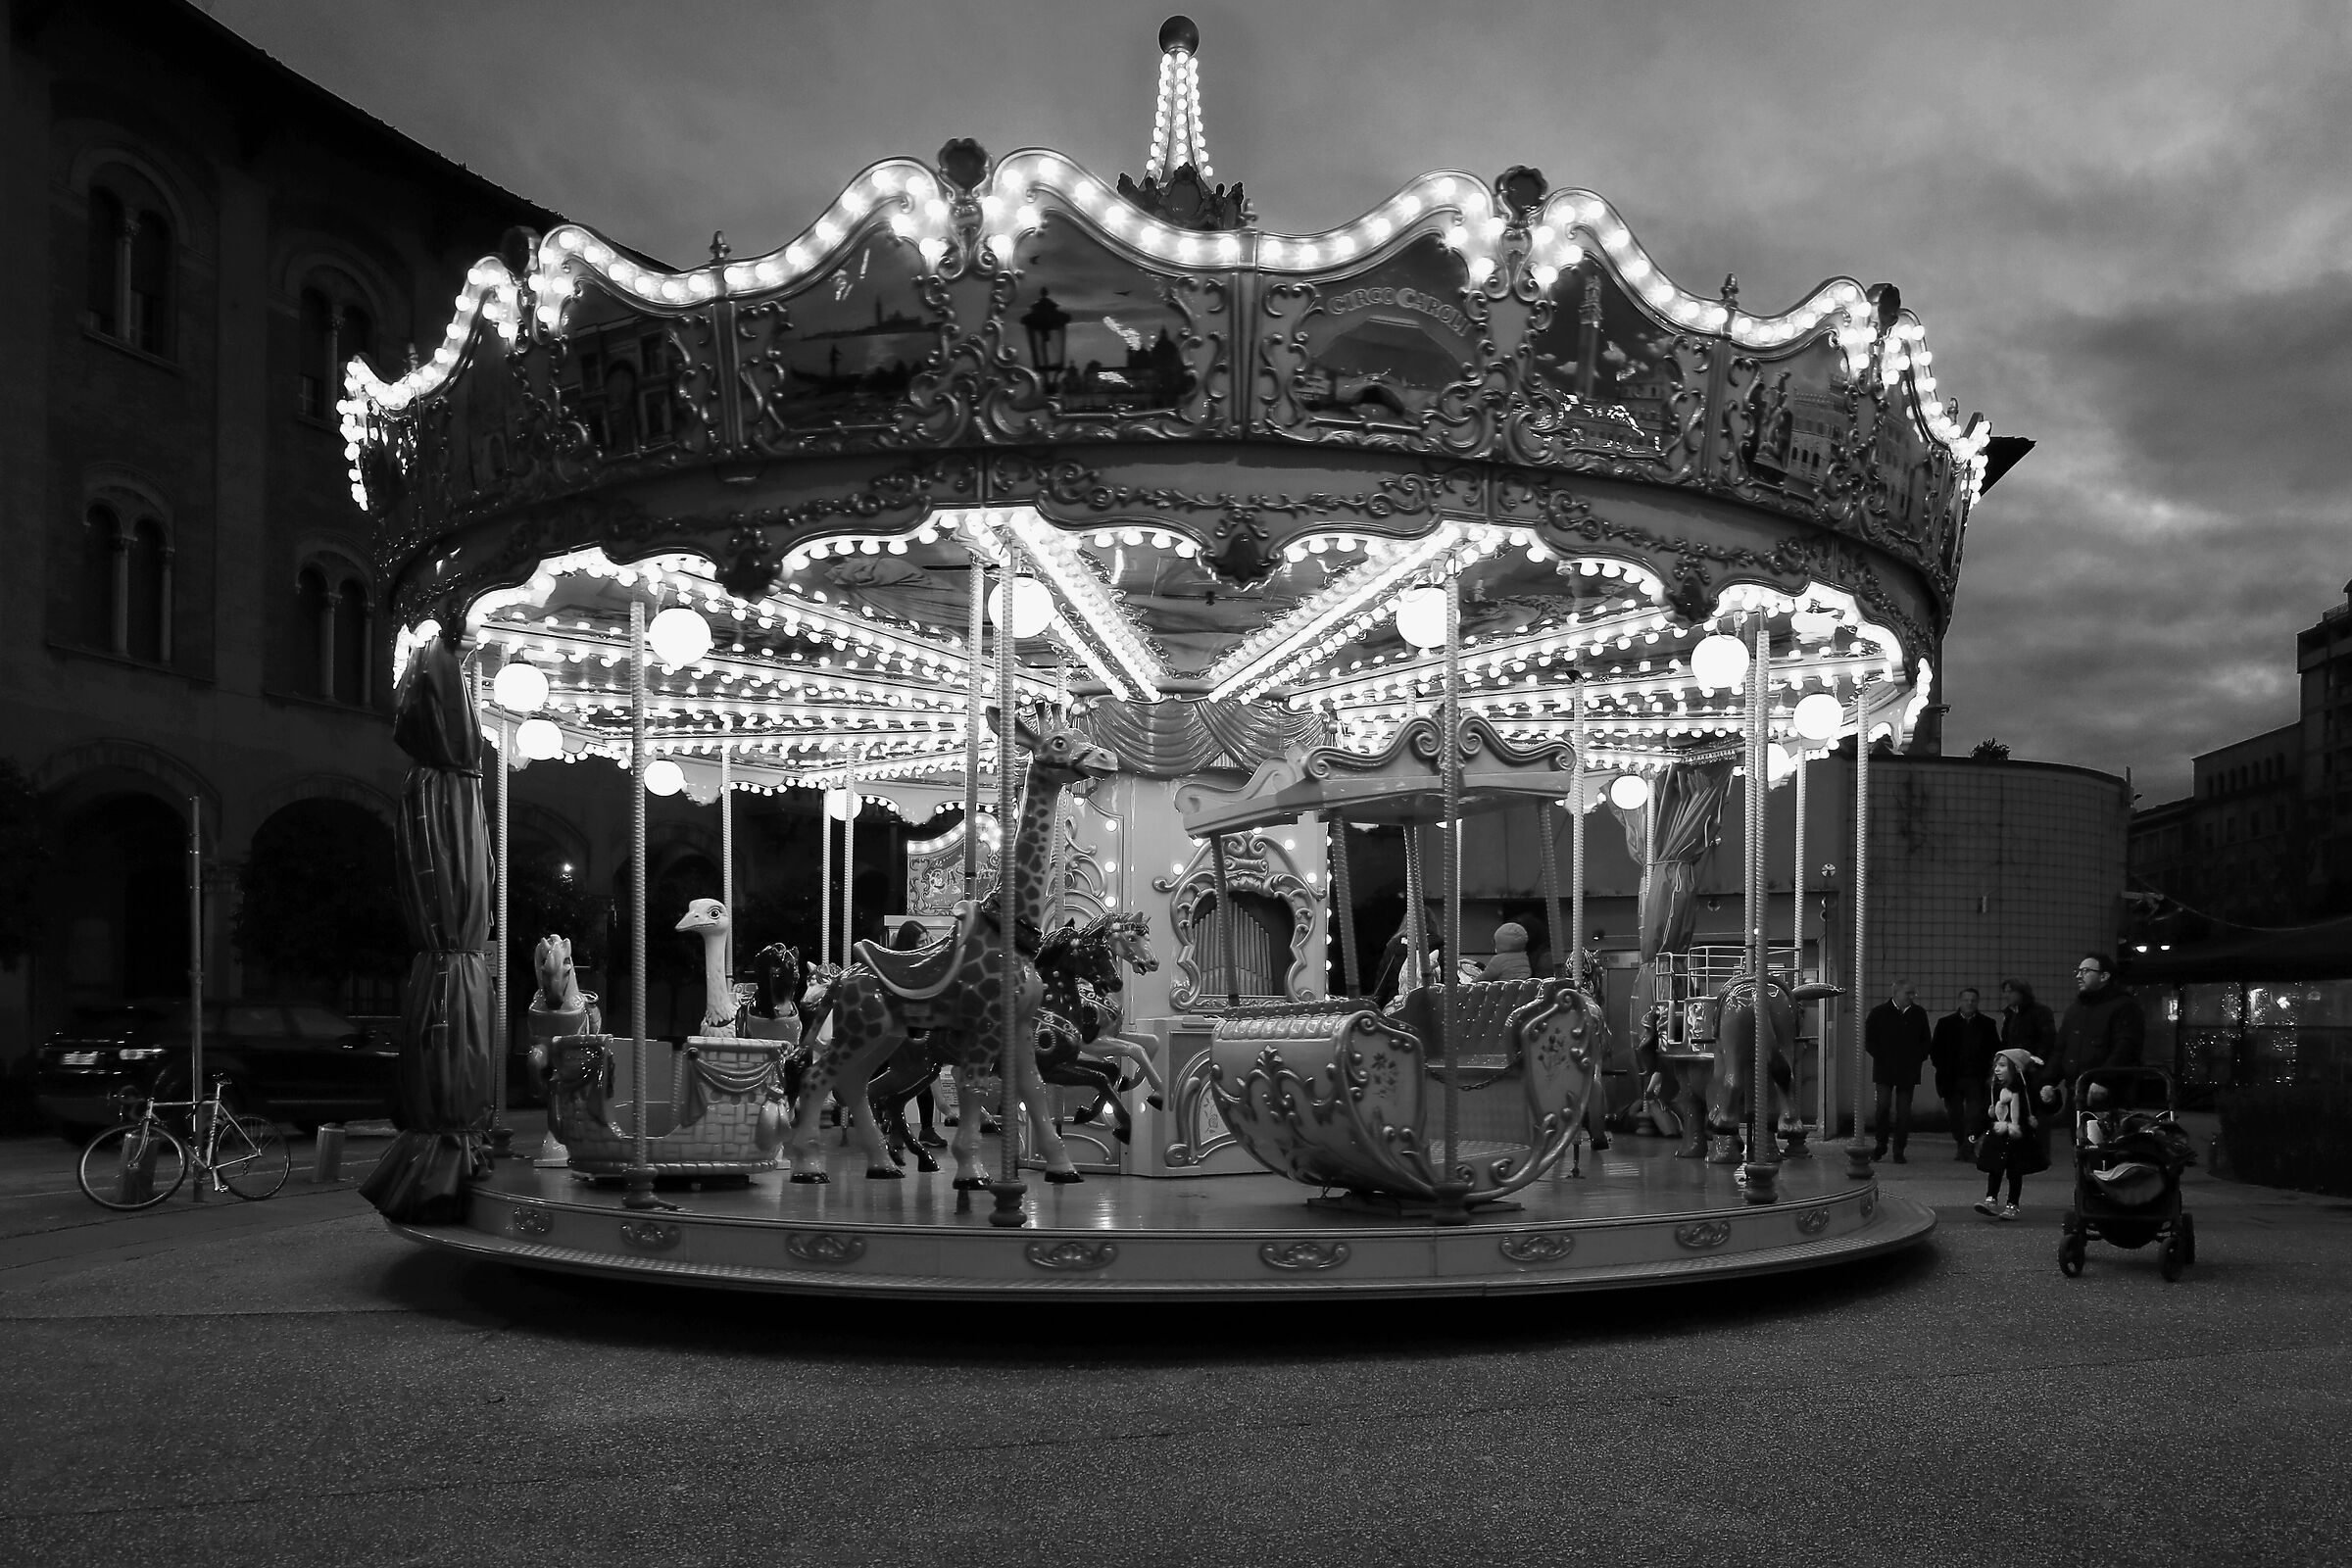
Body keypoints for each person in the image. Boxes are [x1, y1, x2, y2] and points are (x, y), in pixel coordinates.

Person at [2051, 954, 2144, 1112]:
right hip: (2076, 1091)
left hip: (2108, 1092)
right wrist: (2048, 1081)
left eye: (2085, 971)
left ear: (2104, 976)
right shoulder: (2075, 1010)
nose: (2078, 976)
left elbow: (2125, 1047)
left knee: (2102, 1128)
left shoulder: (2125, 1006)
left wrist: (2104, 1080)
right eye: (2078, 971)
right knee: (2076, 1128)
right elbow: (2061, 1048)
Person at [1973, 1047, 2050, 1219]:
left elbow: (2039, 1107)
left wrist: (2049, 1099)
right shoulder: (1994, 1088)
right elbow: (1985, 1112)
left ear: (2015, 1069)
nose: (1997, 1069)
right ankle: (1990, 1199)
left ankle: (2012, 1204)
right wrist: (1975, 1131)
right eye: (1996, 1065)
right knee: (1995, 1169)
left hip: (2018, 1137)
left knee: (2015, 1172)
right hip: (1998, 1135)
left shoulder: (2026, 1090)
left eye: (2002, 1066)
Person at [1929, 988, 2003, 1159]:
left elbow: (1994, 1049)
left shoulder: (1987, 1024)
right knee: (1955, 1115)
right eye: (1966, 1000)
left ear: (1977, 1002)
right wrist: (1942, 1068)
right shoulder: (1946, 1023)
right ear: (1960, 1001)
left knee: (1974, 1115)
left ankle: (1967, 1147)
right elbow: (1936, 1050)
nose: (1969, 1003)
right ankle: (1962, 1144)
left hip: (1976, 1077)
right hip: (1951, 1078)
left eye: (1973, 1000)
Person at [1864, 979, 1932, 1162]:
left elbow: (1926, 1039)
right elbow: (1868, 1039)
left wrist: (1918, 1057)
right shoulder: (1879, 1013)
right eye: (1908, 993)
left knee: (1904, 1112)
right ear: (1896, 993)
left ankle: (1899, 1149)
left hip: (1908, 1070)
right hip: (1885, 1069)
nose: (1912, 996)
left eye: (1913, 993)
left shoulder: (1918, 1013)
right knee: (1882, 1108)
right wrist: (1882, 1056)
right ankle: (1881, 1144)